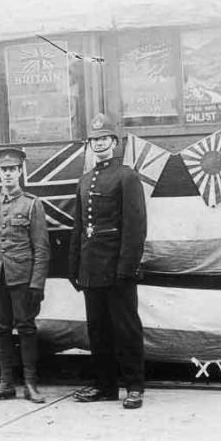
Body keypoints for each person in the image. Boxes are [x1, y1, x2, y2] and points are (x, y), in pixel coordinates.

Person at [67, 113, 148, 409]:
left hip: (116, 269)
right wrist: (74, 265)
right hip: (91, 269)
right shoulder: (85, 180)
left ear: (114, 142)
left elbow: (135, 227)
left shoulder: (127, 177)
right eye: (94, 140)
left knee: (126, 328)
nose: (99, 144)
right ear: (89, 145)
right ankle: (105, 386)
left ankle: (135, 387)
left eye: (104, 139)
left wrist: (126, 268)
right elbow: (79, 226)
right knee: (97, 329)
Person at [0, 148, 50, 404]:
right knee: (0, 329)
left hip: (21, 277)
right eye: (3, 170)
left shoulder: (32, 204)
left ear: (20, 172)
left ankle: (30, 384)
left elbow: (41, 248)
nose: (7, 174)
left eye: (12, 169)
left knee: (26, 328)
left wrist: (37, 283)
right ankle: (6, 383)